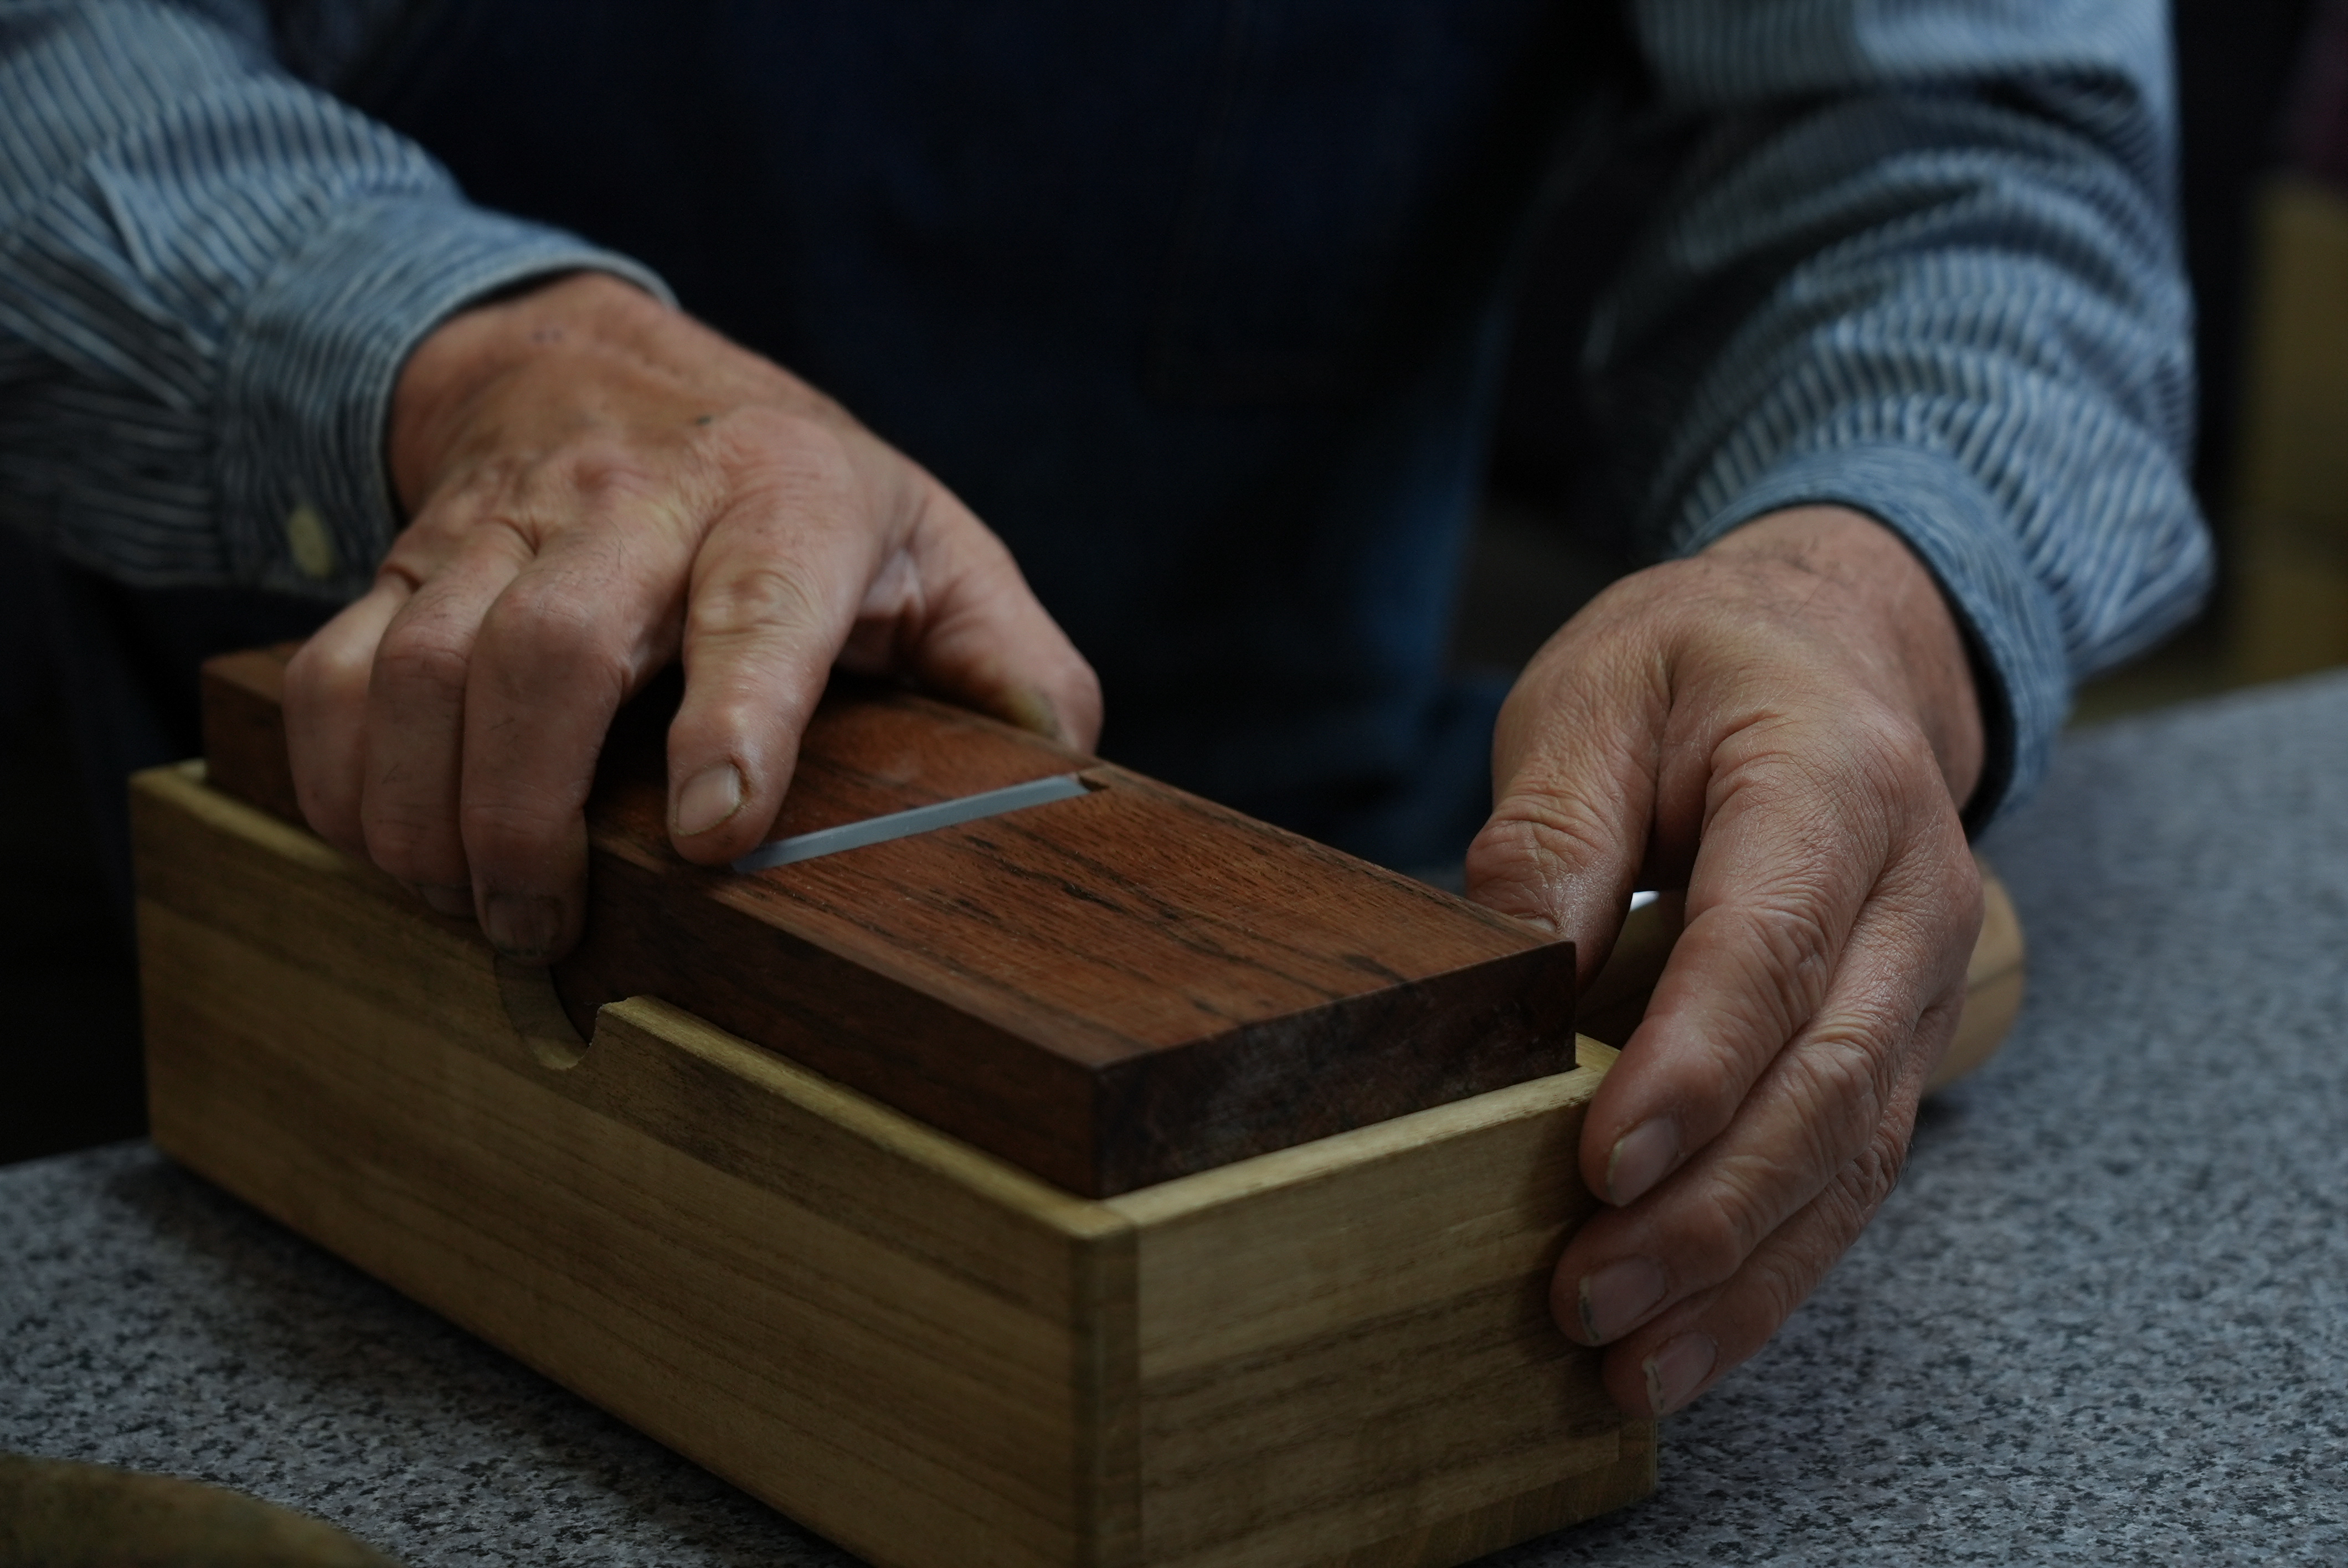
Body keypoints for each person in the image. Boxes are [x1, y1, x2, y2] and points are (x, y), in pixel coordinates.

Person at [0, 0, 2208, 1421]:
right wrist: (487, 360)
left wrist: (1858, 589)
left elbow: (1968, 141)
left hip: (1292, 904)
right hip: (230, 941)